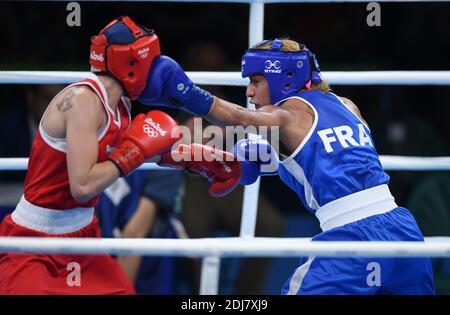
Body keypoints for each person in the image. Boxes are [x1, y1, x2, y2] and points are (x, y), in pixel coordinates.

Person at [138, 38, 435, 294]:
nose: (250, 92)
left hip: (351, 237)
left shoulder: (287, 115)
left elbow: (239, 117)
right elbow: (330, 160)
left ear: (282, 79)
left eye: (255, 81)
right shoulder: (347, 105)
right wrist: (264, 156)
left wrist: (184, 91)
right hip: (402, 228)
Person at [0, 16, 241, 294]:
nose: (157, 69)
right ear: (132, 64)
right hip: (33, 242)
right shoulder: (82, 101)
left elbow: (136, 150)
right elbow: (84, 185)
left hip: (84, 236)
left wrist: (193, 159)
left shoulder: (120, 105)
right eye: (152, 60)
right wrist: (134, 152)